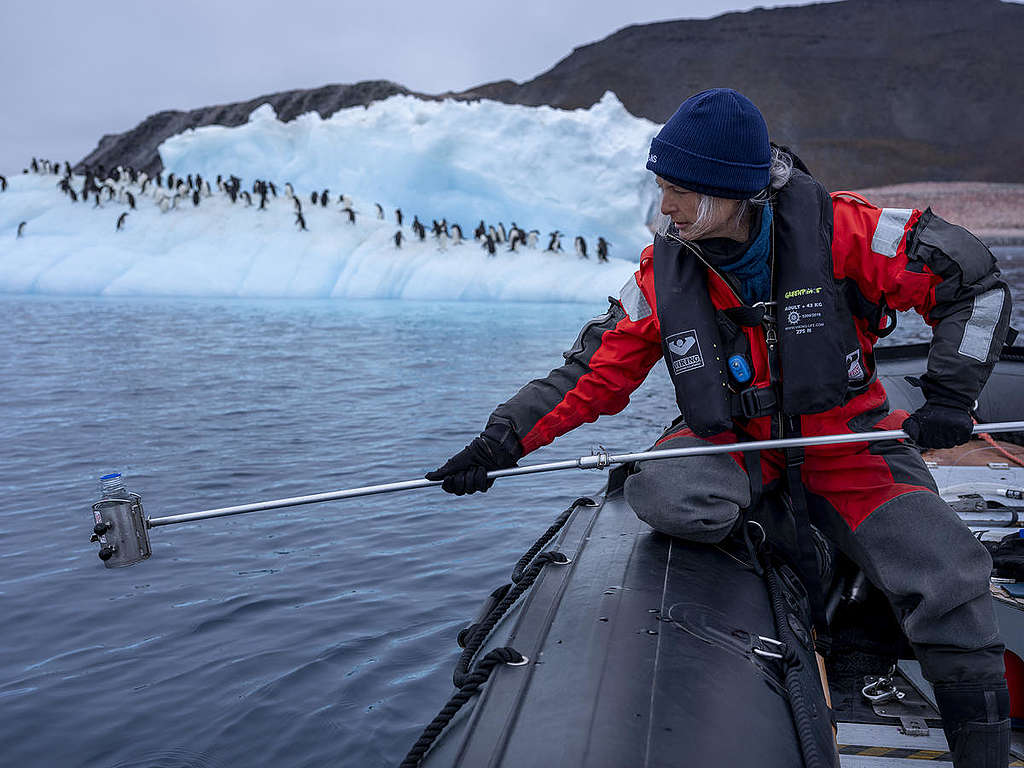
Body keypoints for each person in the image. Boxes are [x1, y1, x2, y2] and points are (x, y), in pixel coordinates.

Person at [426, 88, 1013, 767]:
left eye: (681, 191)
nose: (665, 208)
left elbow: (970, 280)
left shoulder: (845, 232)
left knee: (949, 571)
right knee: (665, 493)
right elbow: (590, 373)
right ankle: (804, 555)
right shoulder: (662, 271)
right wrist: (500, 442)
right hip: (734, 442)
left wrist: (949, 394)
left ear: (735, 192)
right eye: (660, 188)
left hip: (844, 441)